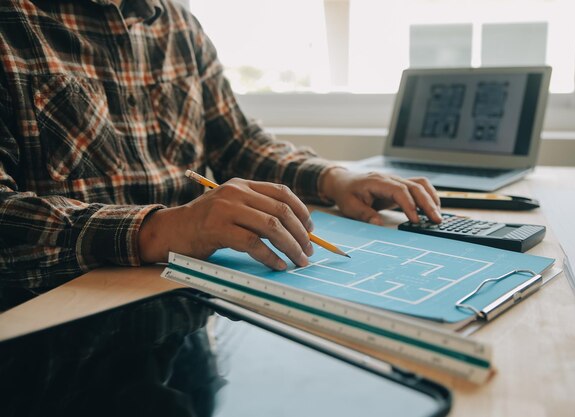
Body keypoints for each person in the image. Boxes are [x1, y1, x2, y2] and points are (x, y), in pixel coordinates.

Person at [0, 0, 441, 311]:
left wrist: (333, 179)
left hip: (189, 297)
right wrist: (163, 229)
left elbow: (237, 143)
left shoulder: (177, 23)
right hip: (60, 314)